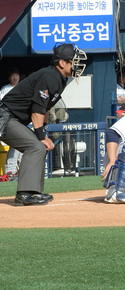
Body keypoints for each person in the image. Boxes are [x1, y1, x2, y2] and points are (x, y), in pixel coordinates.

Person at [0, 43, 87, 205]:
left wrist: (43, 134)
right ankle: (24, 194)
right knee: (36, 146)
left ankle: (34, 191)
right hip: (5, 117)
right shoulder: (50, 76)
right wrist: (40, 137)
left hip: (13, 119)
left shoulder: (59, 79)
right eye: (73, 61)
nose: (77, 64)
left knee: (40, 146)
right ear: (62, 63)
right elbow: (37, 111)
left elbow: (46, 108)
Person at [0, 68, 21, 178]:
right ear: (9, 78)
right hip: (8, 121)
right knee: (11, 145)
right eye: (13, 75)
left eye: (17, 75)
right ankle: (9, 170)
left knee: (21, 147)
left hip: (21, 120)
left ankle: (15, 170)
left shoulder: (22, 87)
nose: (15, 77)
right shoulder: (5, 89)